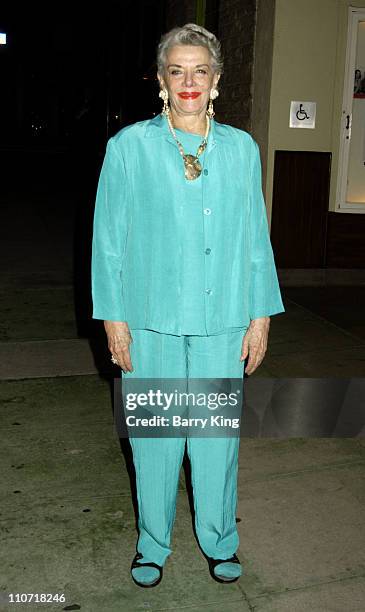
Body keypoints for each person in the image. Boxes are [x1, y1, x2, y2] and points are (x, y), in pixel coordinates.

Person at [91, 23, 285, 588]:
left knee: (215, 442)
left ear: (217, 80)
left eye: (200, 70)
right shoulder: (129, 147)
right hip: (148, 321)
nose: (189, 81)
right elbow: (108, 239)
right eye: (177, 70)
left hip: (222, 321)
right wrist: (113, 318)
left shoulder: (241, 149)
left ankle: (220, 539)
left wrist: (260, 316)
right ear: (160, 81)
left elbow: (255, 237)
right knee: (155, 441)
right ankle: (152, 544)